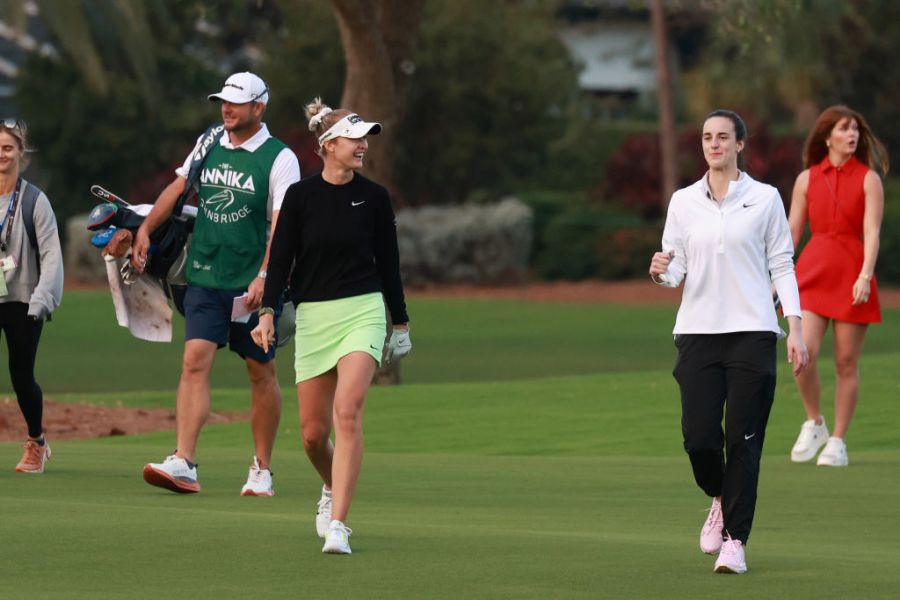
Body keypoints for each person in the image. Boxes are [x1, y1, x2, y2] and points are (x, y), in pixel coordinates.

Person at [649, 109, 809, 574]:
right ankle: (718, 496)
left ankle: (735, 542)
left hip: (753, 332)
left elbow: (782, 264)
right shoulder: (683, 202)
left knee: (744, 441)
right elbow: (676, 269)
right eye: (706, 137)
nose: (714, 144)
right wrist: (661, 272)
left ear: (740, 144)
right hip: (697, 333)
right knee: (699, 438)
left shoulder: (765, 199)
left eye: (723, 137)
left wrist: (794, 326)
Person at [251, 98, 411, 554]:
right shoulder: (300, 198)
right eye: (354, 138)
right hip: (315, 317)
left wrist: (398, 322)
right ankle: (329, 487)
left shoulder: (375, 198)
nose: (362, 145)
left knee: (348, 411)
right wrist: (267, 312)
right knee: (312, 434)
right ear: (328, 145)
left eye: (365, 139)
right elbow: (280, 260)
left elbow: (389, 264)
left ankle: (339, 523)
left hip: (363, 310)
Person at [133, 73, 300, 495]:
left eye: (236, 103)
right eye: (223, 101)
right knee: (194, 361)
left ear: (259, 107)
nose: (226, 109)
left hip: (251, 286)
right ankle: (184, 461)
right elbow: (177, 187)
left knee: (260, 371)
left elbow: (283, 227)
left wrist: (266, 276)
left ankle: (262, 468)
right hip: (204, 275)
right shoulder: (210, 141)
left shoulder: (280, 158)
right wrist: (146, 229)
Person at [787, 106, 888, 467]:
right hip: (813, 273)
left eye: (856, 130)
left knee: (846, 361)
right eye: (845, 129)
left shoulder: (868, 179)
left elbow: (872, 232)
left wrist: (865, 274)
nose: (853, 135)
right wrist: (776, 278)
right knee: (803, 354)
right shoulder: (806, 179)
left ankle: (838, 441)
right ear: (827, 136)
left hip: (852, 276)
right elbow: (792, 232)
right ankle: (814, 421)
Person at [0, 118, 64, 473]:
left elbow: (52, 255)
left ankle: (36, 442)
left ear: (21, 153)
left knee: (20, 375)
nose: (2, 155)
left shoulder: (35, 201)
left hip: (24, 301)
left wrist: (41, 300)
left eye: (8, 148)